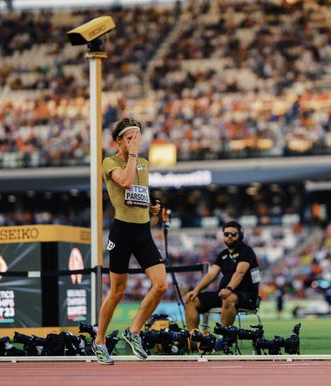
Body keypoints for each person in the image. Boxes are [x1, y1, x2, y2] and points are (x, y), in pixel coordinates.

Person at [92, 117, 168, 365]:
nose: (136, 142)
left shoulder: (144, 164)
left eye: (137, 137)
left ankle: (133, 331)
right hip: (122, 230)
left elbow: (138, 194)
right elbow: (124, 182)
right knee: (118, 291)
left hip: (142, 231)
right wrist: (132, 156)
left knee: (161, 285)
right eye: (130, 138)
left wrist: (152, 207)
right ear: (119, 142)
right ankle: (99, 341)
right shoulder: (109, 162)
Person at [184, 221, 260, 333]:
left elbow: (240, 272)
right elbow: (211, 274)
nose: (229, 236)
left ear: (240, 235)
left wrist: (229, 289)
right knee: (191, 300)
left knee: (228, 298)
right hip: (223, 294)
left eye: (233, 234)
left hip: (246, 296)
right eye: (226, 234)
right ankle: (194, 338)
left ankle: (224, 338)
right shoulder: (223, 254)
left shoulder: (246, 251)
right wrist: (195, 290)